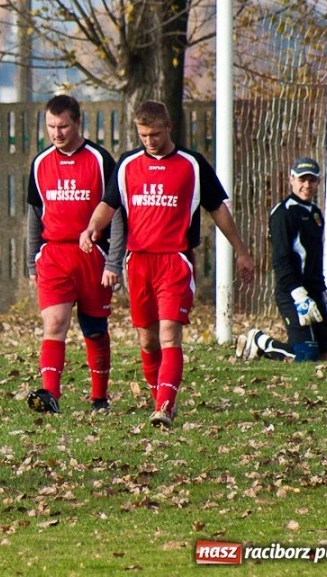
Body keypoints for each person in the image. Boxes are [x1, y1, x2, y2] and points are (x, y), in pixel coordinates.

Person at [80, 100, 255, 428]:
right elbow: (109, 203)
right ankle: (158, 398)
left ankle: (164, 406)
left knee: (169, 335)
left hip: (175, 260)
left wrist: (241, 251)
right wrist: (92, 227)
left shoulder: (192, 164)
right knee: (147, 340)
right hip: (139, 262)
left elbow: (218, 208)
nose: (149, 140)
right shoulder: (128, 164)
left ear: (169, 128)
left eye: (155, 134)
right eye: (143, 134)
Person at [25, 95, 125, 415]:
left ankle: (99, 398)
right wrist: (31, 260)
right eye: (51, 126)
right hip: (54, 254)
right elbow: (34, 213)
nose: (57, 133)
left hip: (92, 255)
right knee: (54, 323)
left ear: (78, 123)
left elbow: (116, 210)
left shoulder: (99, 159)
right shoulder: (40, 163)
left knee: (94, 328)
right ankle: (50, 394)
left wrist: (113, 261)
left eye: (63, 126)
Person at [236, 157, 327, 362]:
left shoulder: (316, 213)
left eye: (311, 180)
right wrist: (298, 295)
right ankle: (260, 341)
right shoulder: (283, 213)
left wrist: (323, 292)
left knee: (325, 354)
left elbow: (314, 258)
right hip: (292, 292)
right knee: (306, 357)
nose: (306, 185)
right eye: (302, 179)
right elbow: (280, 259)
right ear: (291, 179)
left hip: (314, 290)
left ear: (318, 181)